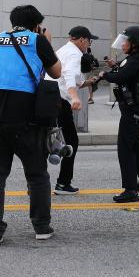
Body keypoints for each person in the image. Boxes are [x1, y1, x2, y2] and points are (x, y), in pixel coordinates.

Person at [0, 5, 62, 246]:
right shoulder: (37, 39)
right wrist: (46, 42)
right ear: (37, 24)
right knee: (36, 173)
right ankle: (41, 226)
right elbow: (56, 72)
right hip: (24, 113)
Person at [95, 26, 139, 203]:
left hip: (134, 111)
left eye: (126, 41)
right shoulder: (133, 59)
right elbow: (124, 71)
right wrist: (115, 66)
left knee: (125, 148)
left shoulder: (136, 60)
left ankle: (130, 190)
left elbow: (120, 77)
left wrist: (105, 74)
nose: (122, 45)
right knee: (134, 144)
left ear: (135, 43)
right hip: (134, 109)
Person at [48, 26, 98, 195]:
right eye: (89, 41)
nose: (89, 45)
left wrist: (86, 83)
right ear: (82, 39)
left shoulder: (64, 50)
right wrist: (75, 97)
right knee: (71, 141)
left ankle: (34, 184)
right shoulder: (75, 54)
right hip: (59, 100)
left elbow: (64, 76)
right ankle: (63, 184)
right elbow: (68, 74)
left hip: (49, 96)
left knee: (47, 138)